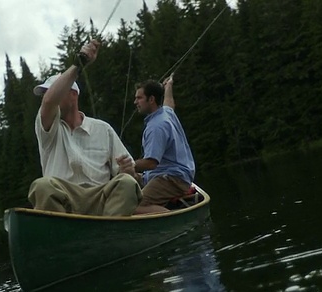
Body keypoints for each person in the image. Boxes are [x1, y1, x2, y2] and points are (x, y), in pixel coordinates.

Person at [28, 39, 142, 216]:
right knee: (42, 186)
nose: (46, 98)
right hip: (64, 200)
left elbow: (128, 175)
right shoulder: (47, 128)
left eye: (51, 91)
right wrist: (79, 63)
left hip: (101, 199)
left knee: (127, 183)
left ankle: (109, 232)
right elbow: (49, 101)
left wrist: (128, 172)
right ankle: (65, 232)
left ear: (73, 95)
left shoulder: (103, 129)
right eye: (45, 94)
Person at [133, 75, 196, 214]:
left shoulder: (157, 126)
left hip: (173, 178)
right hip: (178, 175)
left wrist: (129, 165)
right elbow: (169, 103)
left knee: (134, 207)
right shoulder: (165, 112)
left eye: (139, 98)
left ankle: (173, 220)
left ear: (151, 99)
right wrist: (169, 86)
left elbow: (151, 163)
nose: (135, 102)